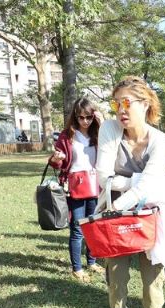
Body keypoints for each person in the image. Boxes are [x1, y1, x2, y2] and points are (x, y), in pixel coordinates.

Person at [95, 75, 165, 308]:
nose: (121, 110)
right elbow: (103, 176)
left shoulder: (161, 142)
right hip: (113, 217)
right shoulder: (109, 129)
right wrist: (136, 184)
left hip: (149, 216)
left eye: (127, 102)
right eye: (116, 103)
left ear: (146, 103)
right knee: (115, 276)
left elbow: (149, 185)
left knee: (152, 275)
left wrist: (123, 191)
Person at [49, 97, 104, 282]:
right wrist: (56, 159)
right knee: (78, 228)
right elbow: (58, 163)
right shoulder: (67, 135)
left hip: (96, 185)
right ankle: (77, 267)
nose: (85, 121)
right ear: (75, 117)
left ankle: (92, 261)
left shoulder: (99, 133)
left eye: (88, 117)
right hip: (76, 185)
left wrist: (101, 119)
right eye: (81, 117)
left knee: (93, 226)